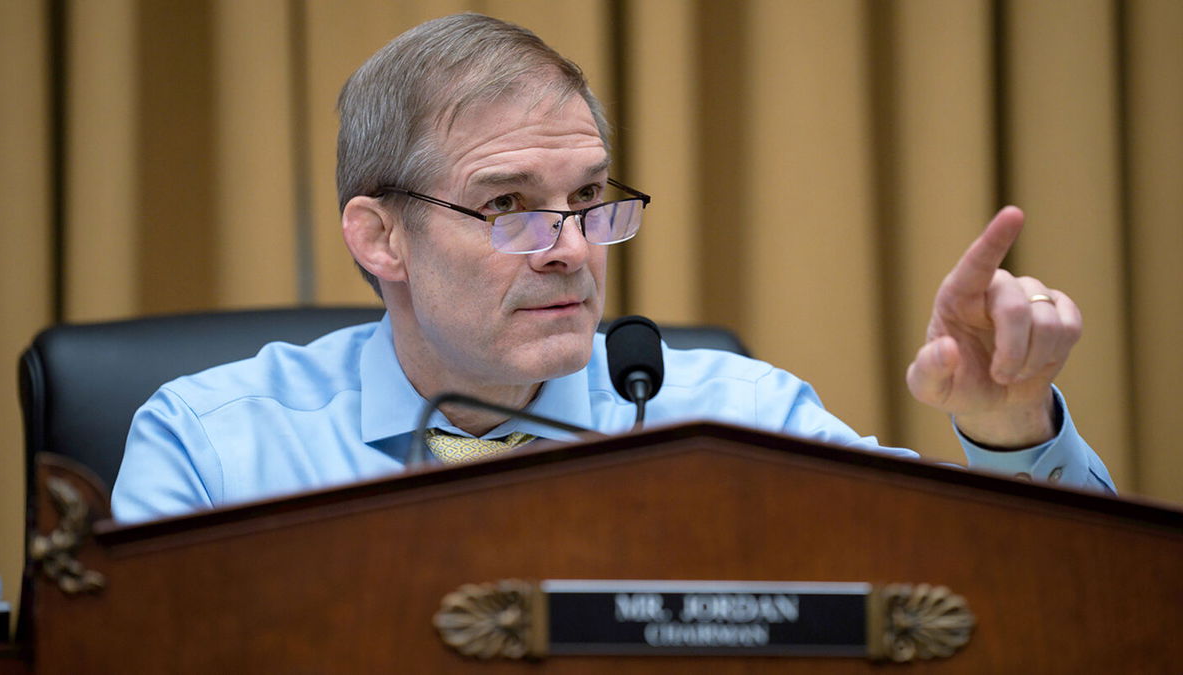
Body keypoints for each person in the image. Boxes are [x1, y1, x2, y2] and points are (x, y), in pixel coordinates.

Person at [111, 13, 1112, 524]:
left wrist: (1010, 431)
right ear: (381, 239)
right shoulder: (214, 450)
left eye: (591, 198)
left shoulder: (736, 420)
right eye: (507, 205)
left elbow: (1025, 603)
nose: (572, 248)